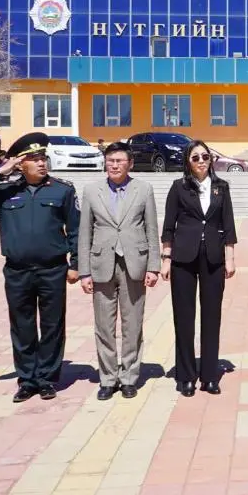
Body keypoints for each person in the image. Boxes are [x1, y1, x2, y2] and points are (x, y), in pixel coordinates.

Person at [0, 132, 80, 403]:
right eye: (34, 159)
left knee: (53, 325)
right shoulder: (6, 190)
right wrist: (0, 172)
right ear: (21, 164)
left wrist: (76, 264)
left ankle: (47, 379)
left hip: (52, 268)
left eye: (43, 158)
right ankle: (27, 379)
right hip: (17, 270)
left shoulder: (62, 190)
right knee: (22, 326)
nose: (42, 163)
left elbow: (76, 230)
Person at [78, 143, 160, 400]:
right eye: (110, 160)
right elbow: (84, 234)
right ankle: (108, 378)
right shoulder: (92, 191)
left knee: (132, 323)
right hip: (101, 264)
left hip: (134, 264)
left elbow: (151, 229)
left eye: (119, 161)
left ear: (130, 163)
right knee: (103, 325)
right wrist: (84, 272)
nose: (114, 165)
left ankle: (129, 377)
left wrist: (153, 266)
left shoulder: (144, 189)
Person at [162, 140, 237, 396]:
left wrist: (230, 257)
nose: (202, 161)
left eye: (206, 156)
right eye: (196, 157)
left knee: (211, 317)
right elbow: (169, 225)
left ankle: (209, 375)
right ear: (188, 162)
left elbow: (228, 224)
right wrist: (165, 257)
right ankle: (185, 376)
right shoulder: (178, 187)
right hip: (183, 257)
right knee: (184, 317)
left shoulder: (221, 187)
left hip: (213, 257)